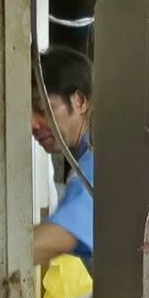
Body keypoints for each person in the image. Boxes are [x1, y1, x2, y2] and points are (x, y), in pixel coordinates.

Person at [32, 45, 94, 268]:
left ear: (80, 102)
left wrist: (5, 256)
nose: (33, 124)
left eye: (42, 109)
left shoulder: (98, 161)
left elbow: (62, 235)